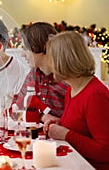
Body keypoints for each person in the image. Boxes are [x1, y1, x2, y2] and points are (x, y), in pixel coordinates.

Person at [43, 31, 109, 170]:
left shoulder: (95, 95)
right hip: (75, 162)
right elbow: (82, 128)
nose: (49, 65)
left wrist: (66, 134)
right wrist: (60, 124)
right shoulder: (71, 89)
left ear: (63, 61)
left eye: (51, 59)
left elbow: (105, 150)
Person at [12, 22, 69, 122]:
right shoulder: (33, 74)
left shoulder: (68, 80)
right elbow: (18, 106)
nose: (22, 54)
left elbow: (77, 122)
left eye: (26, 49)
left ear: (43, 47)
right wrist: (43, 116)